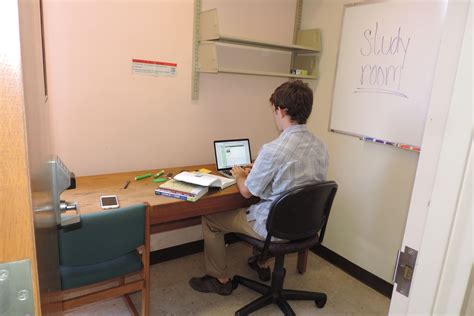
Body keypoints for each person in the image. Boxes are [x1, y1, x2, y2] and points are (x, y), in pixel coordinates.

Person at [189, 80, 329, 295]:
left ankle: (219, 279)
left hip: (276, 228)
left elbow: (246, 191)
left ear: (280, 111)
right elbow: (298, 185)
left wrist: (240, 175)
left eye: (274, 111)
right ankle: (261, 262)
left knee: (211, 220)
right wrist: (262, 168)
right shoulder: (320, 147)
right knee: (268, 206)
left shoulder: (273, 149)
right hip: (307, 225)